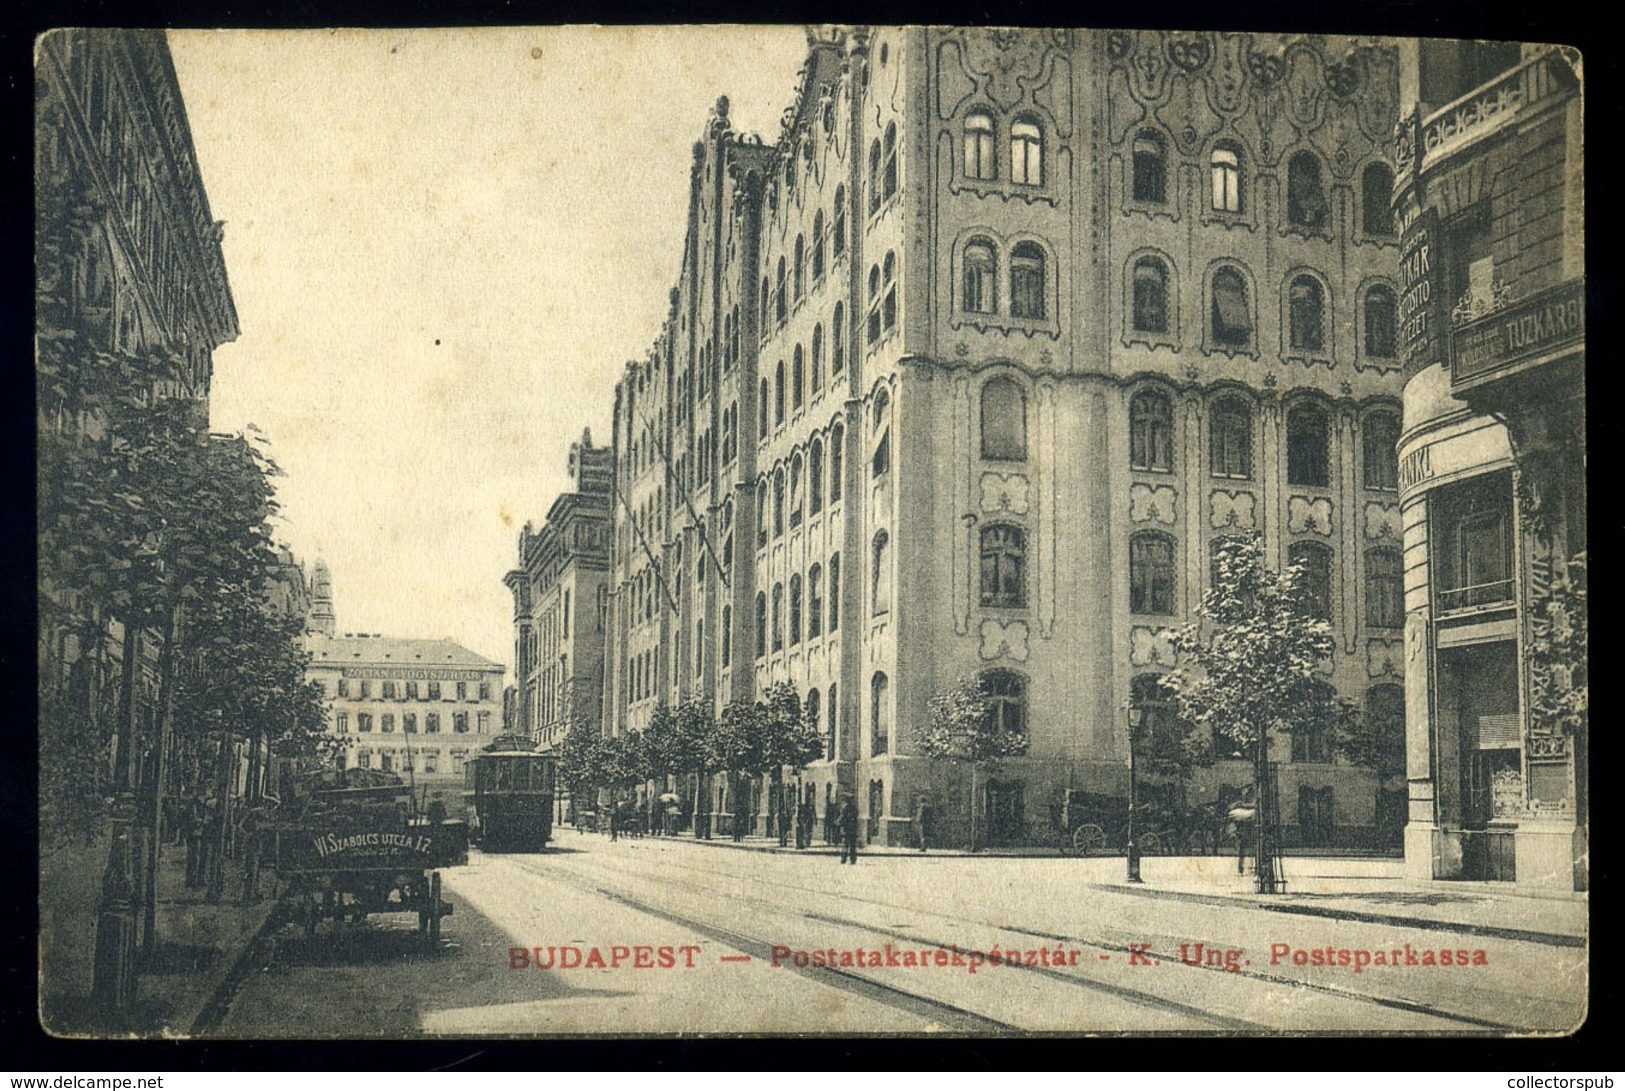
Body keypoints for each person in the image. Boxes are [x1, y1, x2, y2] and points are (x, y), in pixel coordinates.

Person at [836, 794, 859, 865]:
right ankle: (853, 859)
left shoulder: (844, 807)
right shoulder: (854, 808)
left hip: (846, 829)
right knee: (852, 845)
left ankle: (843, 859)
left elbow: (842, 817)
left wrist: (837, 822)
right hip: (853, 829)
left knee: (844, 844)